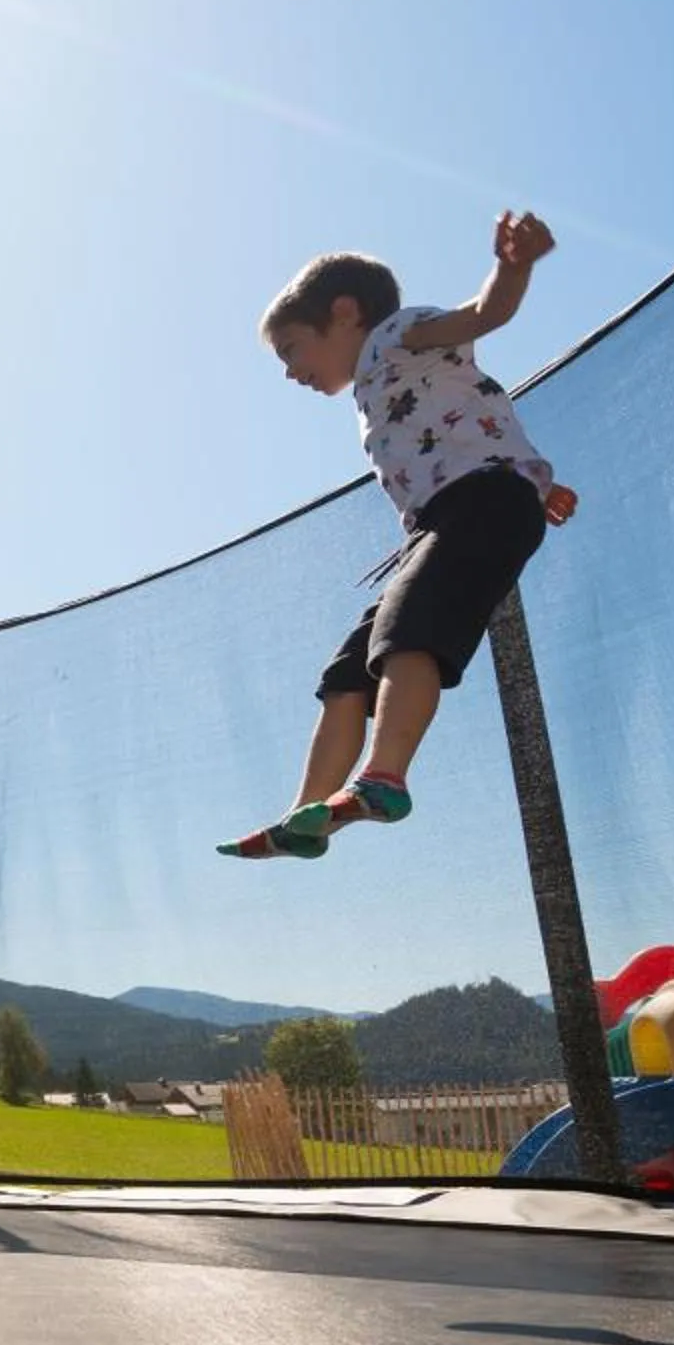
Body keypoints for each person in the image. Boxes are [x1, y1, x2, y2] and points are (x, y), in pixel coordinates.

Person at [220, 211, 575, 862]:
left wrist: (513, 268)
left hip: (480, 506)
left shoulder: (399, 335)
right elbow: (472, 423)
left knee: (408, 632)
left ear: (346, 313)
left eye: (293, 348)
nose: (290, 370)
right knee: (346, 673)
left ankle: (384, 777)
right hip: (453, 516)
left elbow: (480, 316)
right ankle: (309, 816)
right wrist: (535, 478)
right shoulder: (377, 384)